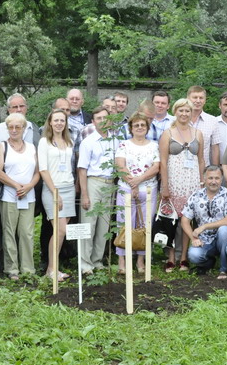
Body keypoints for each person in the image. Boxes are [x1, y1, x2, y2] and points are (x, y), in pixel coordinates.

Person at [159, 98, 205, 272]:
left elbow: (201, 160)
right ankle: (171, 257)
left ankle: (184, 257)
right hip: (174, 181)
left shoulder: (198, 133)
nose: (184, 114)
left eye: (187, 111)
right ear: (175, 111)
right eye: (181, 110)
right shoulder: (168, 133)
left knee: (188, 219)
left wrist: (202, 183)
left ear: (191, 113)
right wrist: (165, 186)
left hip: (192, 182)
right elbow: (163, 161)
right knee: (171, 220)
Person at [0, 113, 40, 279]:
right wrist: (16, 186)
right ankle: (11, 269)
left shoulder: (32, 147)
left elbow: (37, 173)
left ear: (23, 129)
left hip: (28, 196)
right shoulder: (2, 146)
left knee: (27, 233)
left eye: (17, 127)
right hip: (9, 196)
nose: (14, 130)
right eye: (10, 127)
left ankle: (28, 268)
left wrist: (28, 186)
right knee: (9, 233)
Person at [115, 113, 160, 274]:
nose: (140, 128)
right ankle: (122, 261)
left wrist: (138, 180)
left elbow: (156, 167)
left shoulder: (154, 145)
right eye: (136, 125)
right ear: (131, 128)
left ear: (147, 128)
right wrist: (132, 183)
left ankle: (141, 261)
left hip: (148, 190)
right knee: (124, 223)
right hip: (126, 189)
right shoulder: (124, 145)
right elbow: (120, 165)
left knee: (145, 225)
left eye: (143, 125)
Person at [76, 107, 118, 274]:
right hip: (93, 182)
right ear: (93, 122)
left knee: (103, 225)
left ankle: (97, 260)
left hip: (110, 184)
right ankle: (85, 264)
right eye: (98, 118)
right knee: (89, 223)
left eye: (105, 118)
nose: (102, 121)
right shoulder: (88, 142)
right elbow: (82, 169)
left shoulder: (116, 140)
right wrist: (85, 194)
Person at [38, 108, 76, 280]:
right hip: (53, 189)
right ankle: (51, 269)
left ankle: (53, 269)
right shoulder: (44, 142)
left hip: (68, 188)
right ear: (50, 122)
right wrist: (55, 192)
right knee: (59, 229)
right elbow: (43, 170)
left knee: (62, 231)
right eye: (56, 120)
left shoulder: (69, 142)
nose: (59, 123)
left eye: (62, 120)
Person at [181, 166, 227, 279]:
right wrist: (193, 239)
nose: (213, 181)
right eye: (210, 178)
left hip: (224, 238)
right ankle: (209, 261)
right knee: (193, 255)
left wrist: (204, 227)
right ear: (204, 179)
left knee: (224, 230)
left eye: (217, 178)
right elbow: (184, 220)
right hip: (205, 240)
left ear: (221, 179)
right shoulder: (196, 196)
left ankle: (224, 269)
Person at [187, 85, 220, 166]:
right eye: (195, 97)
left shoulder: (212, 121)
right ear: (187, 99)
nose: (198, 101)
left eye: (201, 98)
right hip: (181, 169)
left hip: (203, 168)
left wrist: (215, 169)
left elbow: (215, 148)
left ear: (205, 100)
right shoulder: (177, 120)